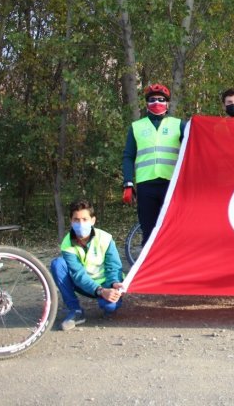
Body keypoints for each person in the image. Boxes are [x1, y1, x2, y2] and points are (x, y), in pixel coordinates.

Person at [121, 83, 186, 246]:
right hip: (146, 186)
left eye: (161, 99)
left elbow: (196, 145)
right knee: (149, 232)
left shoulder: (178, 125)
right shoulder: (137, 127)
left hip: (170, 185)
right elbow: (128, 156)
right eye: (152, 100)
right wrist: (128, 183)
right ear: (146, 104)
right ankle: (149, 269)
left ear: (168, 103)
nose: (156, 103)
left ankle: (172, 268)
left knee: (172, 230)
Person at [50, 199, 124, 331]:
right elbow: (78, 275)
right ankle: (75, 311)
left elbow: (114, 266)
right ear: (71, 221)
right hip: (84, 284)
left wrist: (114, 284)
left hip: (106, 282)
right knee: (58, 264)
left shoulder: (105, 238)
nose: (80, 223)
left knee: (110, 307)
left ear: (93, 220)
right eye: (76, 220)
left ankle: (109, 303)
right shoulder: (67, 244)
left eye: (85, 219)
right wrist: (100, 291)